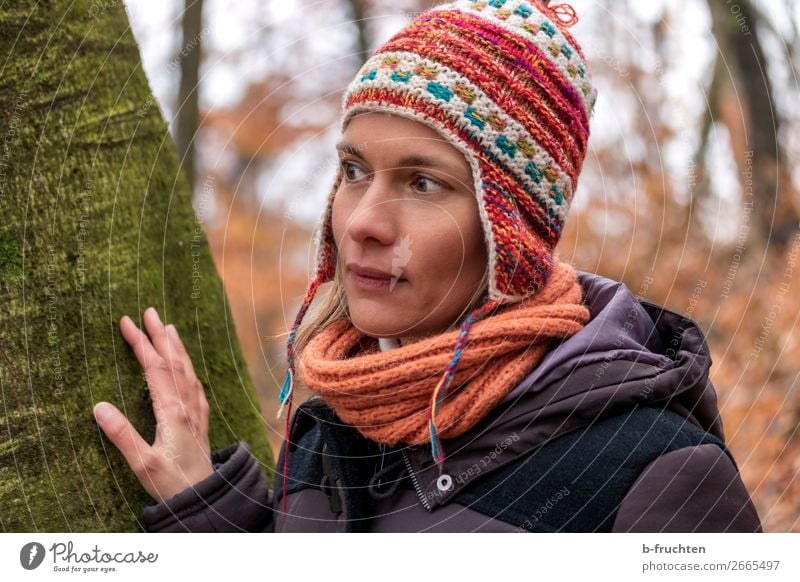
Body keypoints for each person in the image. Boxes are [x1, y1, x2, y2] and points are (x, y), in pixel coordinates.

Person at [92, 0, 763, 533]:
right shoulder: (334, 430)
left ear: (513, 233)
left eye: (423, 184)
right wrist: (211, 516)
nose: (361, 222)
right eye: (354, 170)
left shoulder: (654, 469)